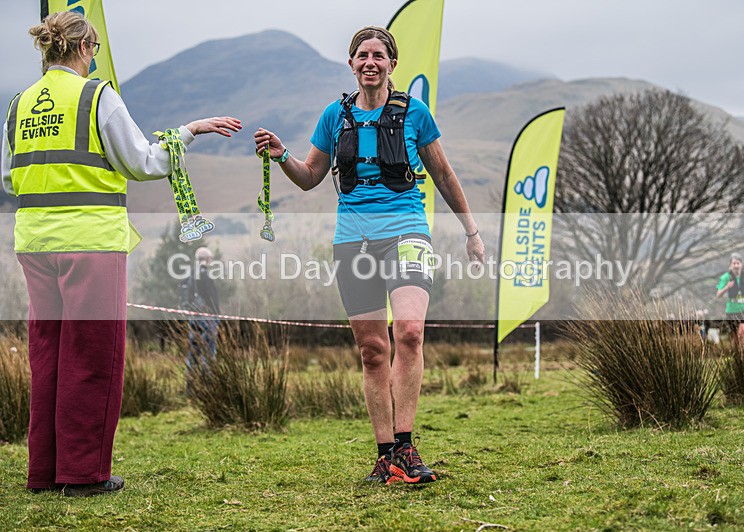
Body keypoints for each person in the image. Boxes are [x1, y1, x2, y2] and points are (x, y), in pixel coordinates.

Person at [2, 12, 241, 496]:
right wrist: (188, 131)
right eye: (93, 50)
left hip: (34, 242)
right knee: (92, 355)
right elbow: (144, 161)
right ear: (85, 48)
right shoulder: (97, 96)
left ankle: (44, 473)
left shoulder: (19, 104)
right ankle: (84, 473)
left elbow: (10, 177)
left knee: (47, 353)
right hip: (91, 242)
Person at [254, 26, 485, 485]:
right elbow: (309, 177)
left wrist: (471, 232)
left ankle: (406, 446)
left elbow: (443, 173)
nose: (370, 62)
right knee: (373, 350)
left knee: (411, 333)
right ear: (352, 63)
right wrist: (282, 156)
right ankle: (384, 456)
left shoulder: (415, 114)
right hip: (352, 240)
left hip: (407, 232)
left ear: (392, 65)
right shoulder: (333, 117)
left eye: (379, 55)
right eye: (362, 55)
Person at [184, 246, 221, 394]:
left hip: (194, 318)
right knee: (208, 352)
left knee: (193, 352)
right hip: (207, 319)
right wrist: (216, 315)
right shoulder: (205, 276)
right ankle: (208, 387)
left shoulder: (191, 275)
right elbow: (212, 299)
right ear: (207, 259)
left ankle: (190, 388)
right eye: (211, 259)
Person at [715, 253, 744, 355]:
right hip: (732, 309)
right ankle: (738, 355)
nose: (736, 265)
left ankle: (742, 357)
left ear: (741, 264)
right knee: (735, 336)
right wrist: (727, 287)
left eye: (738, 263)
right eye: (734, 263)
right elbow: (718, 294)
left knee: (742, 331)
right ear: (731, 265)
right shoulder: (725, 277)